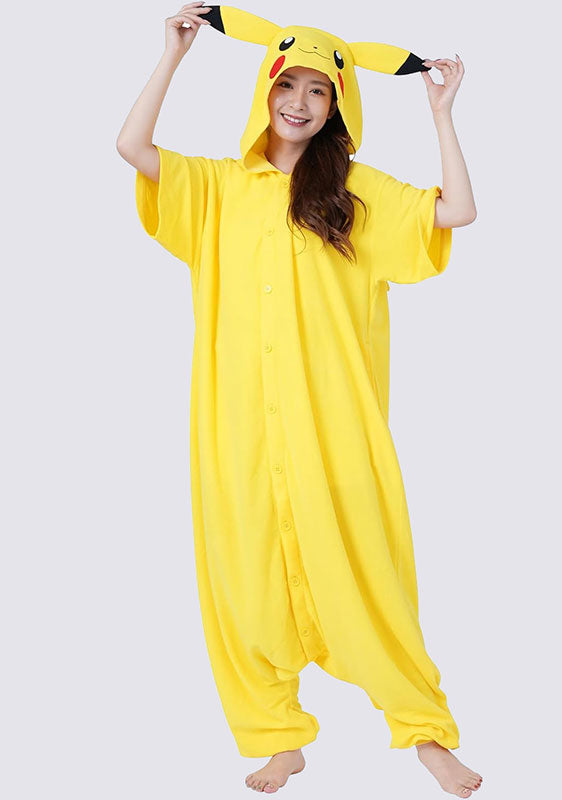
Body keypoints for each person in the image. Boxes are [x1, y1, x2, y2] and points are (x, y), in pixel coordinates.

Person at [117, 3, 482, 796]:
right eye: (290, 83)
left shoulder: (355, 193)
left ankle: (425, 731)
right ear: (266, 88)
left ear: (339, 106)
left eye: (321, 90)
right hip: (237, 428)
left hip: (335, 429)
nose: (301, 101)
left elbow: (456, 211)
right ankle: (276, 737)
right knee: (245, 580)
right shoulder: (217, 188)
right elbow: (132, 147)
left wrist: (441, 115)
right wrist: (173, 56)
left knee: (368, 580)